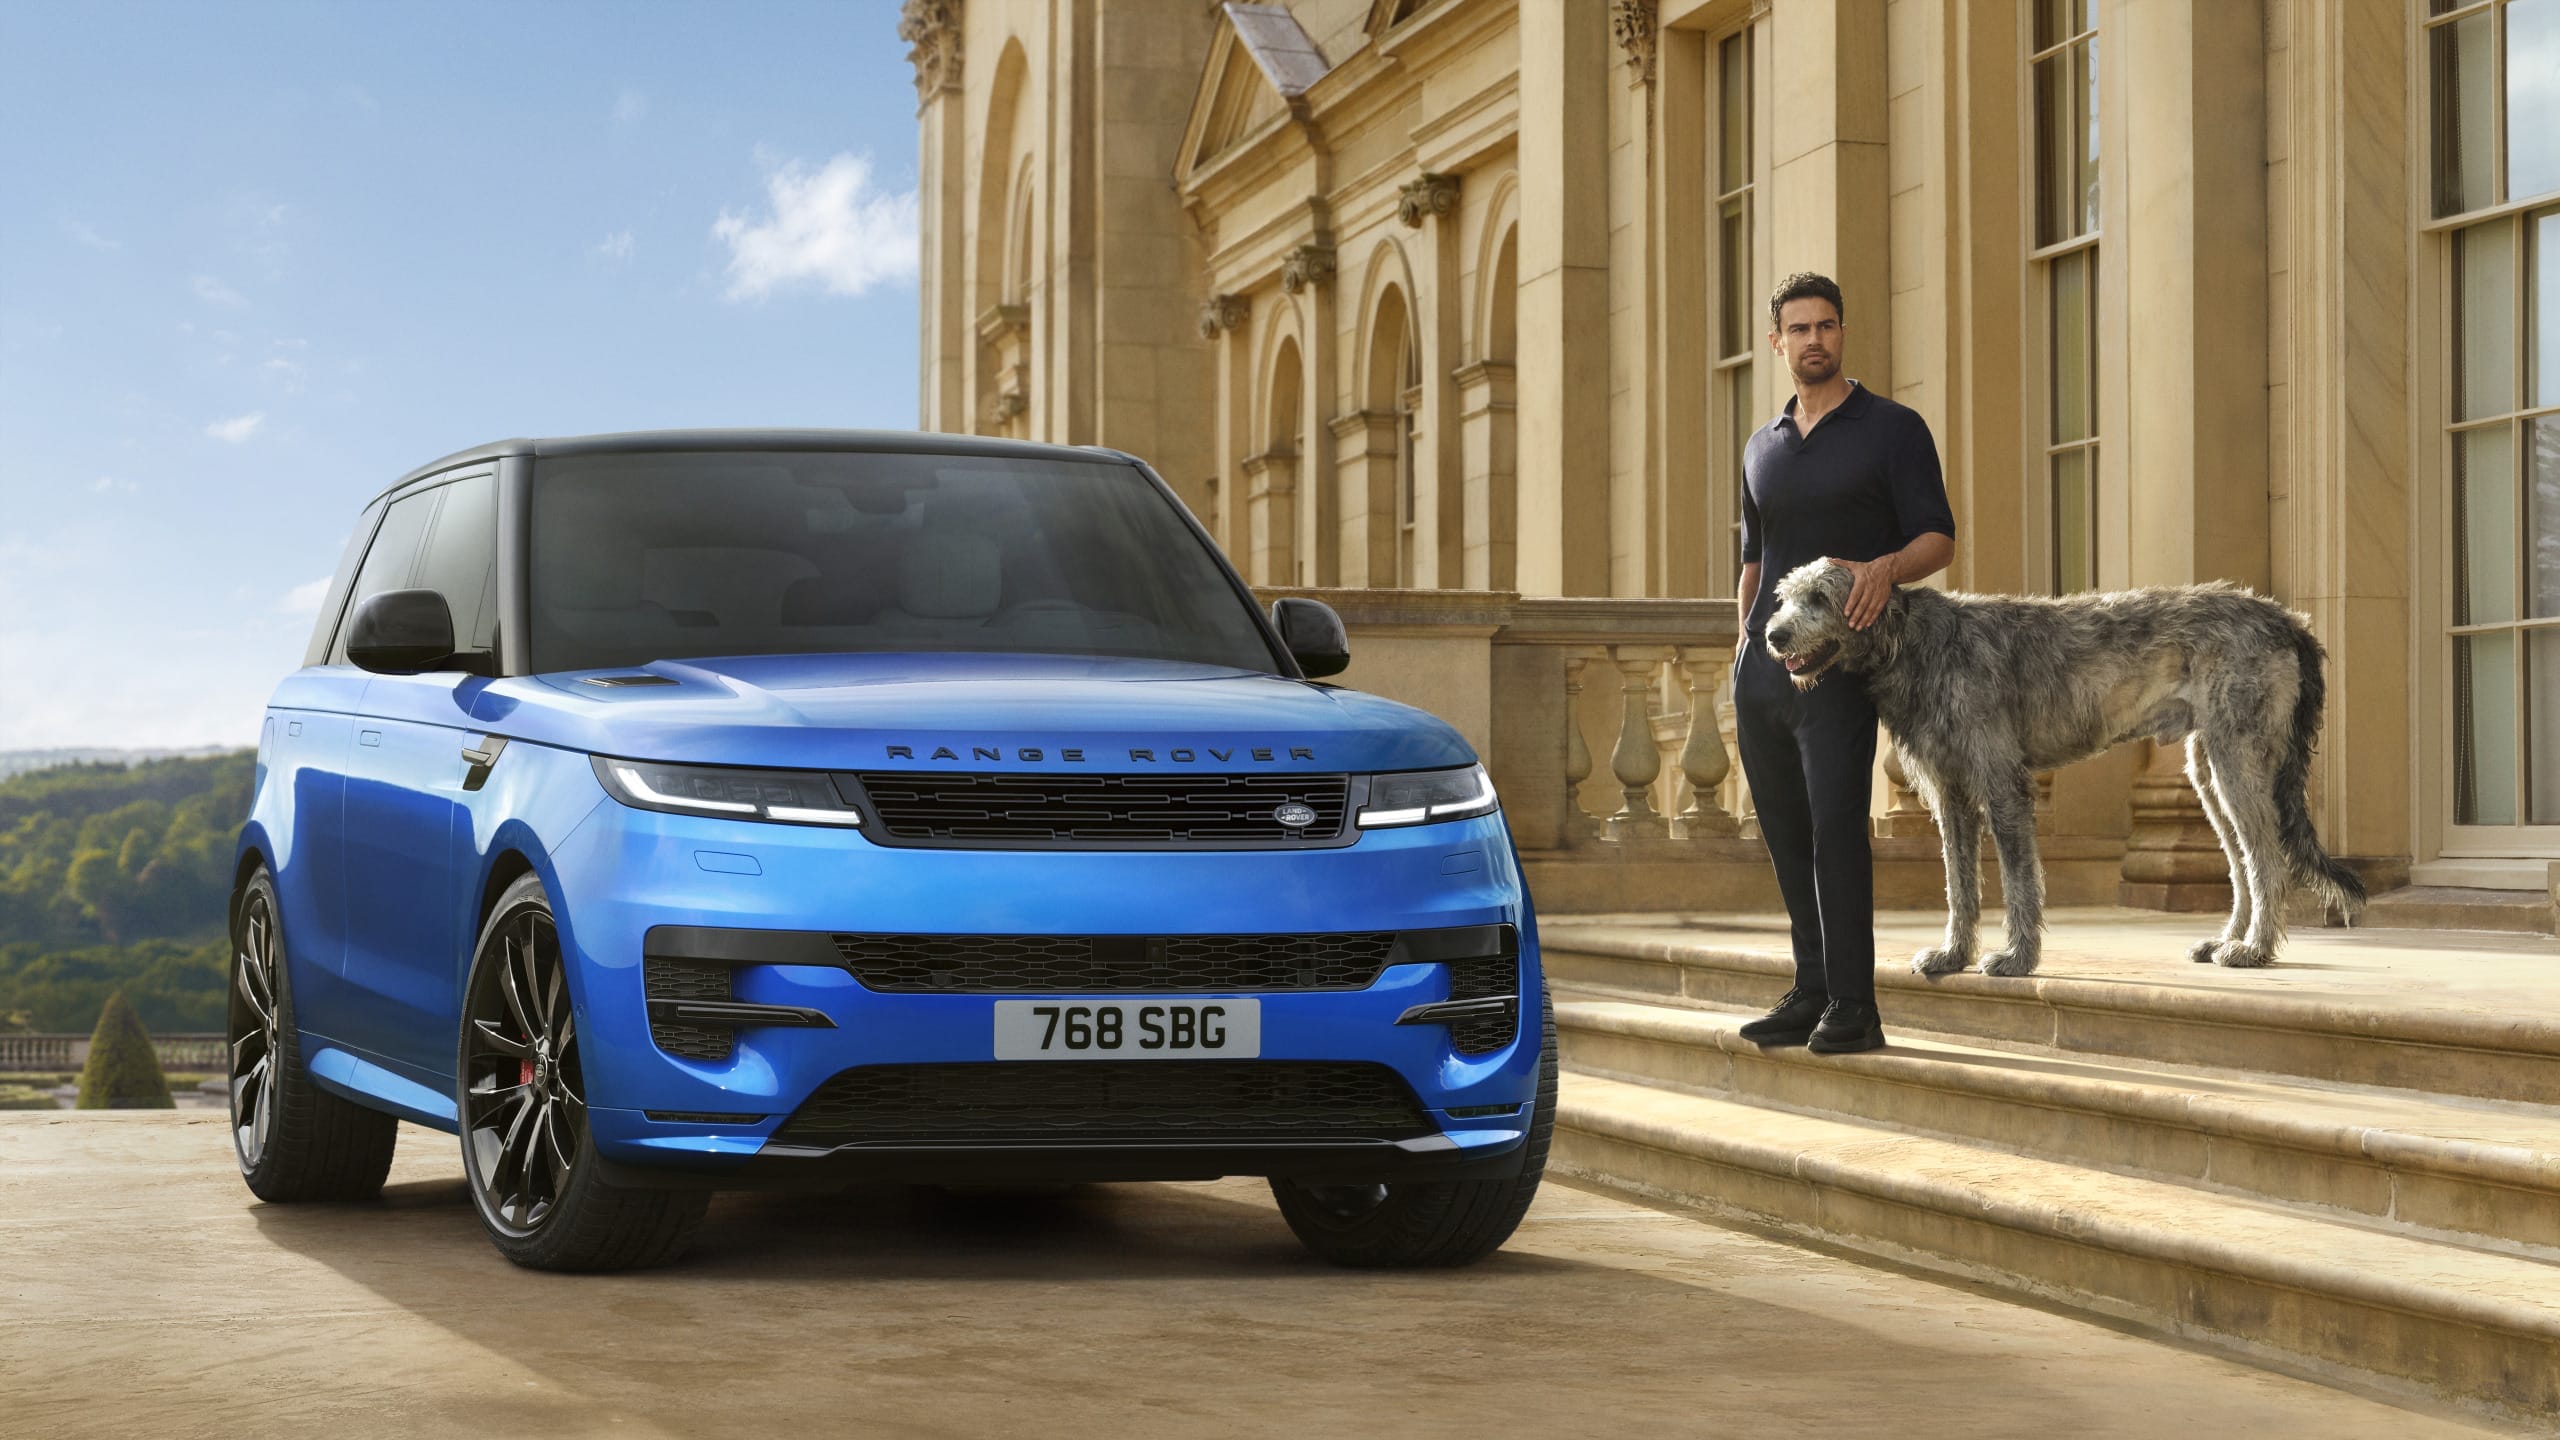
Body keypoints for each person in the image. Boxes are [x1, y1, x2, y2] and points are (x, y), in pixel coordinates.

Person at [1730, 272, 1956, 1055]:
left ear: (1842, 333)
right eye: (1799, 329)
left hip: (1843, 665)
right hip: (1764, 670)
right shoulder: (1762, 445)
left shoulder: (1891, 429)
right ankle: (1811, 988)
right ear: (1777, 342)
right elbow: (1755, 560)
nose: (1814, 340)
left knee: (1835, 829)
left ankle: (1855, 1005)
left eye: (1827, 326)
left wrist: (1885, 567)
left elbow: (1939, 537)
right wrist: (1741, 646)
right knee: (1787, 834)